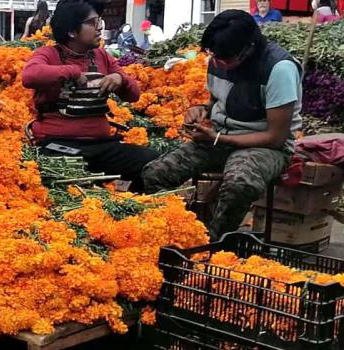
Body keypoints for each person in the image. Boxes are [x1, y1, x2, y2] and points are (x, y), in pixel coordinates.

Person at [142, 10, 302, 240]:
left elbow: (276, 137)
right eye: (214, 56)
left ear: (248, 49)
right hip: (220, 138)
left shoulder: (279, 69)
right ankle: (177, 232)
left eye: (225, 60)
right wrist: (201, 109)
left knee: (239, 184)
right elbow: (218, 100)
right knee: (156, 173)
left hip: (265, 146)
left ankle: (213, 243)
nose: (218, 64)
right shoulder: (218, 58)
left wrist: (218, 139)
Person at [22, 0, 158, 192]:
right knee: (64, 176)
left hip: (101, 146)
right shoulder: (48, 54)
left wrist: (120, 79)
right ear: (71, 31)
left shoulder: (102, 56)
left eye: (99, 22)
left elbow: (134, 95)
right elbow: (30, 76)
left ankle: (134, 209)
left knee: (153, 163)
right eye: (93, 22)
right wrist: (72, 71)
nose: (99, 28)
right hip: (59, 146)